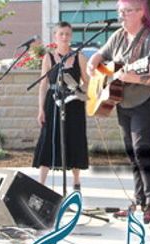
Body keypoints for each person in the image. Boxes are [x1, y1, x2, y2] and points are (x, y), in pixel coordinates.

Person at [86, 0, 150, 224]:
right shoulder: (119, 36)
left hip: (147, 103)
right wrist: (93, 63)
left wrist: (130, 76)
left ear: (141, 12)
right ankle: (140, 200)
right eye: (120, 11)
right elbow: (100, 55)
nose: (122, 15)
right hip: (124, 103)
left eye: (127, 11)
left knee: (142, 150)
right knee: (133, 155)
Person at [33, 21, 89, 192]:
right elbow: (43, 85)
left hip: (74, 104)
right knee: (48, 138)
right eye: (61, 34)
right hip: (53, 103)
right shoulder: (48, 57)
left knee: (75, 139)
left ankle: (76, 182)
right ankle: (41, 184)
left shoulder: (79, 56)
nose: (65, 37)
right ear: (55, 36)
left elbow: (88, 82)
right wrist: (41, 109)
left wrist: (80, 93)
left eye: (67, 34)